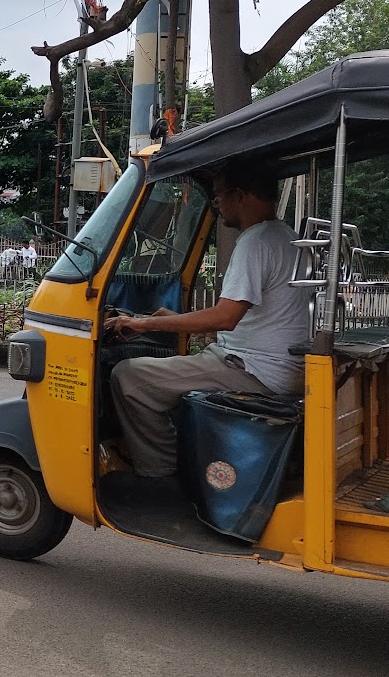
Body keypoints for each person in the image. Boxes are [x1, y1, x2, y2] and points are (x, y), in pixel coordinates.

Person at [103, 161, 311, 480]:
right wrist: (174, 319)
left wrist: (146, 324)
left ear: (240, 196)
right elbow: (244, 317)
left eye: (219, 196)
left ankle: (160, 474)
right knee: (164, 375)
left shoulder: (255, 241)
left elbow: (225, 318)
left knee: (129, 376)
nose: (217, 205)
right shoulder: (285, 237)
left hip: (254, 371)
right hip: (266, 366)